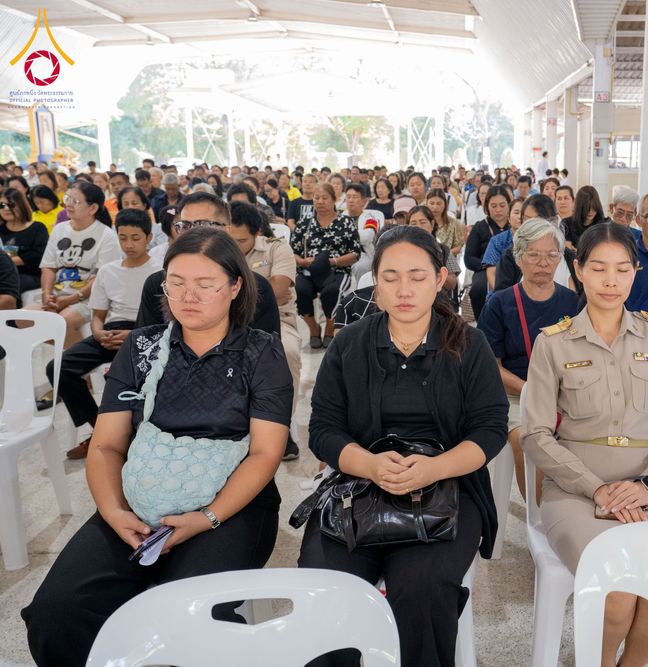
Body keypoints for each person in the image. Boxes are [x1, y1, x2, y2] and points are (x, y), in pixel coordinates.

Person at [22, 228, 292, 667]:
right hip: (139, 502)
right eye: (176, 282)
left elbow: (265, 453)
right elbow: (108, 446)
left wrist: (206, 518)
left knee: (187, 617)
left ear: (235, 286)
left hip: (229, 509)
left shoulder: (261, 352)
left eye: (205, 285)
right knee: (58, 614)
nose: (189, 296)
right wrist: (115, 513)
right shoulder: (142, 347)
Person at [299, 224, 508, 667]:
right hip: (358, 488)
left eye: (417, 276)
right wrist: (370, 465)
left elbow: (489, 429)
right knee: (326, 584)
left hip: (446, 488)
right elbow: (323, 428)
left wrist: (433, 469)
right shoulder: (350, 344)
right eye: (390, 277)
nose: (404, 289)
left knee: (423, 586)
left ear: (439, 279)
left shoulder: (469, 345)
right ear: (376, 286)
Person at [522, 222, 648, 667]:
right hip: (576, 491)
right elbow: (535, 434)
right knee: (618, 592)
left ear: (636, 272)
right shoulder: (553, 343)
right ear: (578, 271)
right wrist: (596, 488)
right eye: (598, 269)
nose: (610, 281)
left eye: (621, 269)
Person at [45, 208, 160, 459]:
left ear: (149, 237)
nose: (128, 244)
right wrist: (97, 333)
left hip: (145, 331)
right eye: (123, 237)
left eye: (136, 237)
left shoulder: (159, 270)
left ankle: (128, 434)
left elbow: (163, 320)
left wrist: (134, 336)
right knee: (58, 367)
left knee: (118, 377)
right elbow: (98, 315)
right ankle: (100, 429)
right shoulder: (108, 270)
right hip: (109, 331)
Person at [478, 218, 580, 500]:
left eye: (552, 255)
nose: (543, 263)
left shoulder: (572, 302)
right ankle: (542, 520)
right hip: (516, 396)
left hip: (566, 394)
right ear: (518, 257)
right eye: (534, 255)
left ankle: (576, 511)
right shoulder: (499, 303)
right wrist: (530, 390)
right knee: (528, 439)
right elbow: (491, 368)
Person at [134, 192, 281, 338]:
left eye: (202, 225)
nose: (192, 233)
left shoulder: (256, 288)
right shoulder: (157, 285)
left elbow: (266, 352)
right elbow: (144, 346)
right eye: (184, 225)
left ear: (227, 231)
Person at [226, 200, 302, 461]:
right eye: (230, 240)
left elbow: (279, 290)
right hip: (226, 320)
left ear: (256, 233)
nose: (234, 248)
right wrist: (264, 289)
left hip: (277, 319)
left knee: (287, 352)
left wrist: (231, 292)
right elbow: (271, 291)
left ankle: (282, 427)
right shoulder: (215, 251)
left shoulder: (277, 249)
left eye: (241, 240)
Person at [35, 182, 120, 348]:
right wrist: (46, 294)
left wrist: (71, 299)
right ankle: (59, 362)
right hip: (57, 297)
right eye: (68, 199)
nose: (68, 204)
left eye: (75, 201)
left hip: (89, 300)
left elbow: (100, 278)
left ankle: (75, 370)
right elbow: (49, 267)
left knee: (62, 322)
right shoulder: (59, 230)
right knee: (22, 318)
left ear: (92, 208)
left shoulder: (106, 235)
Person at [290, 182, 362, 348]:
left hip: (337, 270)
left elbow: (355, 253)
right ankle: (314, 330)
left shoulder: (345, 222)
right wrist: (301, 261)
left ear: (334, 200)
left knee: (332, 292)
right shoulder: (304, 223)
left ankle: (330, 330)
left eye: (324, 198)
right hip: (308, 270)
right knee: (300, 290)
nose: (320, 201)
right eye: (317, 198)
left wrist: (332, 261)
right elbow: (292, 251)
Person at [494, 193, 578, 293]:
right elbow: (501, 297)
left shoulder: (569, 258)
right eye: (527, 219)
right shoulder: (511, 256)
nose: (532, 226)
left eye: (539, 220)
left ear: (554, 221)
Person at [463, 185, 510, 321]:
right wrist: (489, 265)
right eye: (493, 206)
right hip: (484, 268)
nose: (498, 210)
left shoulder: (516, 226)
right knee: (478, 288)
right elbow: (469, 258)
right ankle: (482, 323)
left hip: (513, 267)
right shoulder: (480, 227)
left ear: (509, 205)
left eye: (502, 205)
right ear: (487, 207)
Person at [1, 187, 48, 294]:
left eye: (11, 204)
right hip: (4, 274)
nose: (6, 208)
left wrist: (6, 263)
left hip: (29, 275)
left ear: (21, 205)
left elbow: (37, 255)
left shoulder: (37, 228)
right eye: (2, 205)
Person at [483, 196, 524, 291]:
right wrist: (503, 296)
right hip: (500, 293)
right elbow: (491, 274)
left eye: (524, 214)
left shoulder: (535, 241)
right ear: (509, 218)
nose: (520, 217)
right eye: (516, 212)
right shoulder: (497, 241)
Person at [562, 185, 609, 251]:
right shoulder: (567, 224)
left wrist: (577, 250)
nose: (590, 212)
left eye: (593, 207)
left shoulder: (606, 224)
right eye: (586, 208)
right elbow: (567, 251)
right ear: (579, 207)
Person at [428, 188, 464, 257]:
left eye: (439, 204)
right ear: (427, 203)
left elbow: (458, 247)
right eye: (431, 203)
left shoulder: (454, 223)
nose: (435, 207)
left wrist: (442, 254)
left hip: (447, 260)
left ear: (445, 204)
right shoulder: (422, 222)